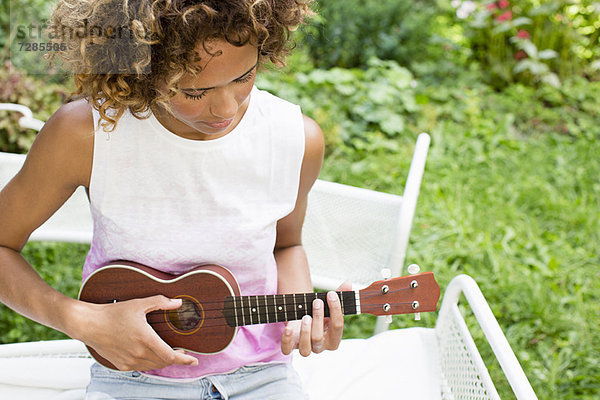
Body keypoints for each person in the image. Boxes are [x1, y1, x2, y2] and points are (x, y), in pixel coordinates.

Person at [0, 0, 349, 398]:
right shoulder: (87, 134)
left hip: (260, 373)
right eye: (195, 91)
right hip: (132, 376)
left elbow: (287, 244)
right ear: (137, 70)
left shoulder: (295, 137)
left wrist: (301, 309)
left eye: (244, 76)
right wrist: (82, 320)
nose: (226, 108)